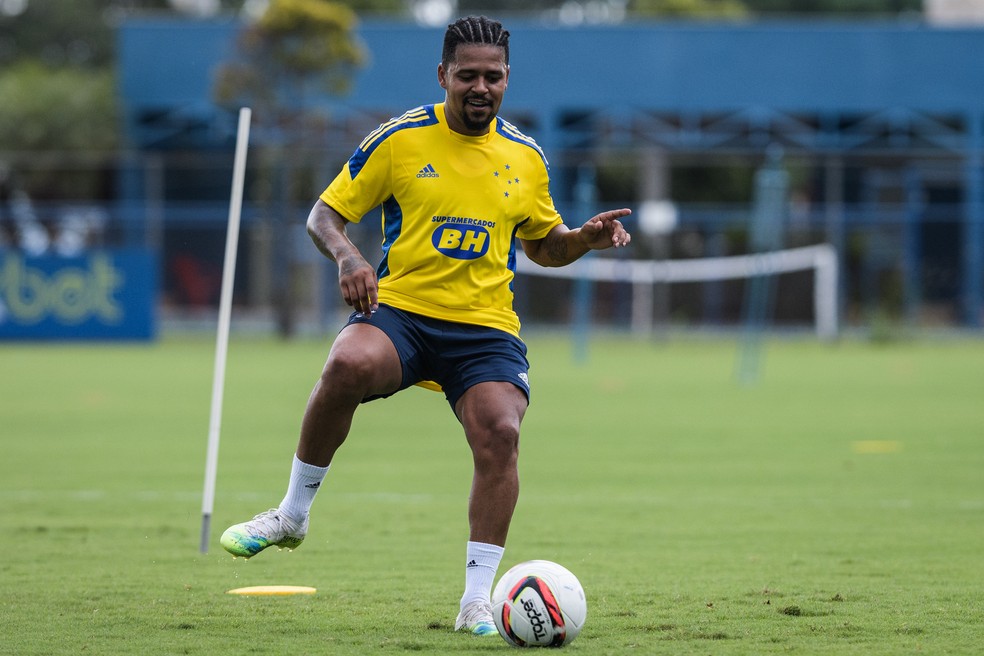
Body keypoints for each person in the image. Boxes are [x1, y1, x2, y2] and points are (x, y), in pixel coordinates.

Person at [220, 15, 631, 636]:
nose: (480, 87)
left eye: (493, 77)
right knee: (346, 364)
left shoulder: (526, 156)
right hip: (404, 313)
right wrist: (350, 256)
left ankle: (475, 602)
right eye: (467, 75)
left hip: (485, 329)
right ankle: (291, 515)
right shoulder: (399, 140)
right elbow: (324, 215)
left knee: (501, 433)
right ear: (443, 75)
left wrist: (584, 240)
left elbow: (545, 247)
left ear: (507, 80)